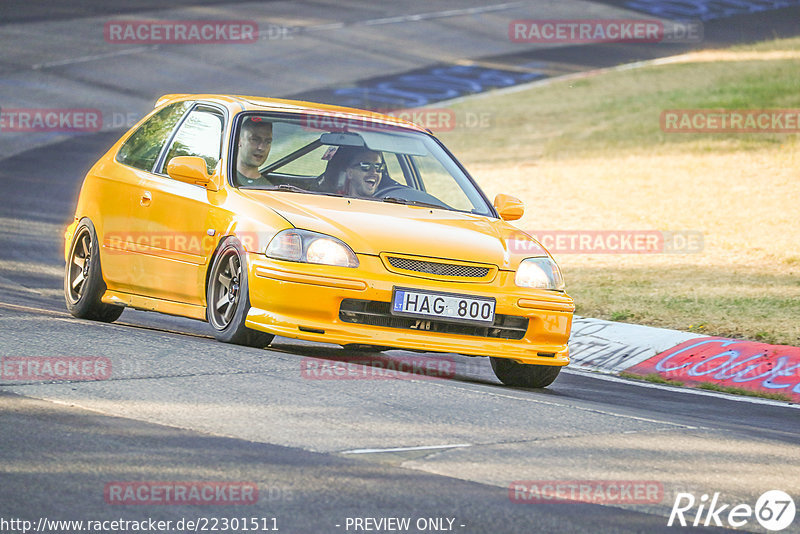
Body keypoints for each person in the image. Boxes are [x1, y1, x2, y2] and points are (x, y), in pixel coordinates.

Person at [320, 147, 384, 197]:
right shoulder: (334, 201)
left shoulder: (387, 202)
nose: (374, 172)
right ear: (350, 173)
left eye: (378, 166)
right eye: (366, 166)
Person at [236, 118, 273, 186]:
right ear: (239, 140)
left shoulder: (268, 189)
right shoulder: (221, 177)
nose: (261, 148)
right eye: (255, 140)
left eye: (267, 142)